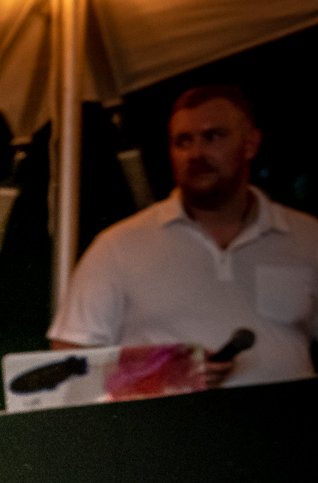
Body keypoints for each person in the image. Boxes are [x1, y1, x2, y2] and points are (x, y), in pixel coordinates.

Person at [49, 84, 318, 386]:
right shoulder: (119, 245)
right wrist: (160, 372)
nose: (196, 153)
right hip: (167, 432)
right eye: (183, 141)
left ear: (251, 144)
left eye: (213, 137)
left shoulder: (308, 237)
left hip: (292, 430)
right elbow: (68, 361)